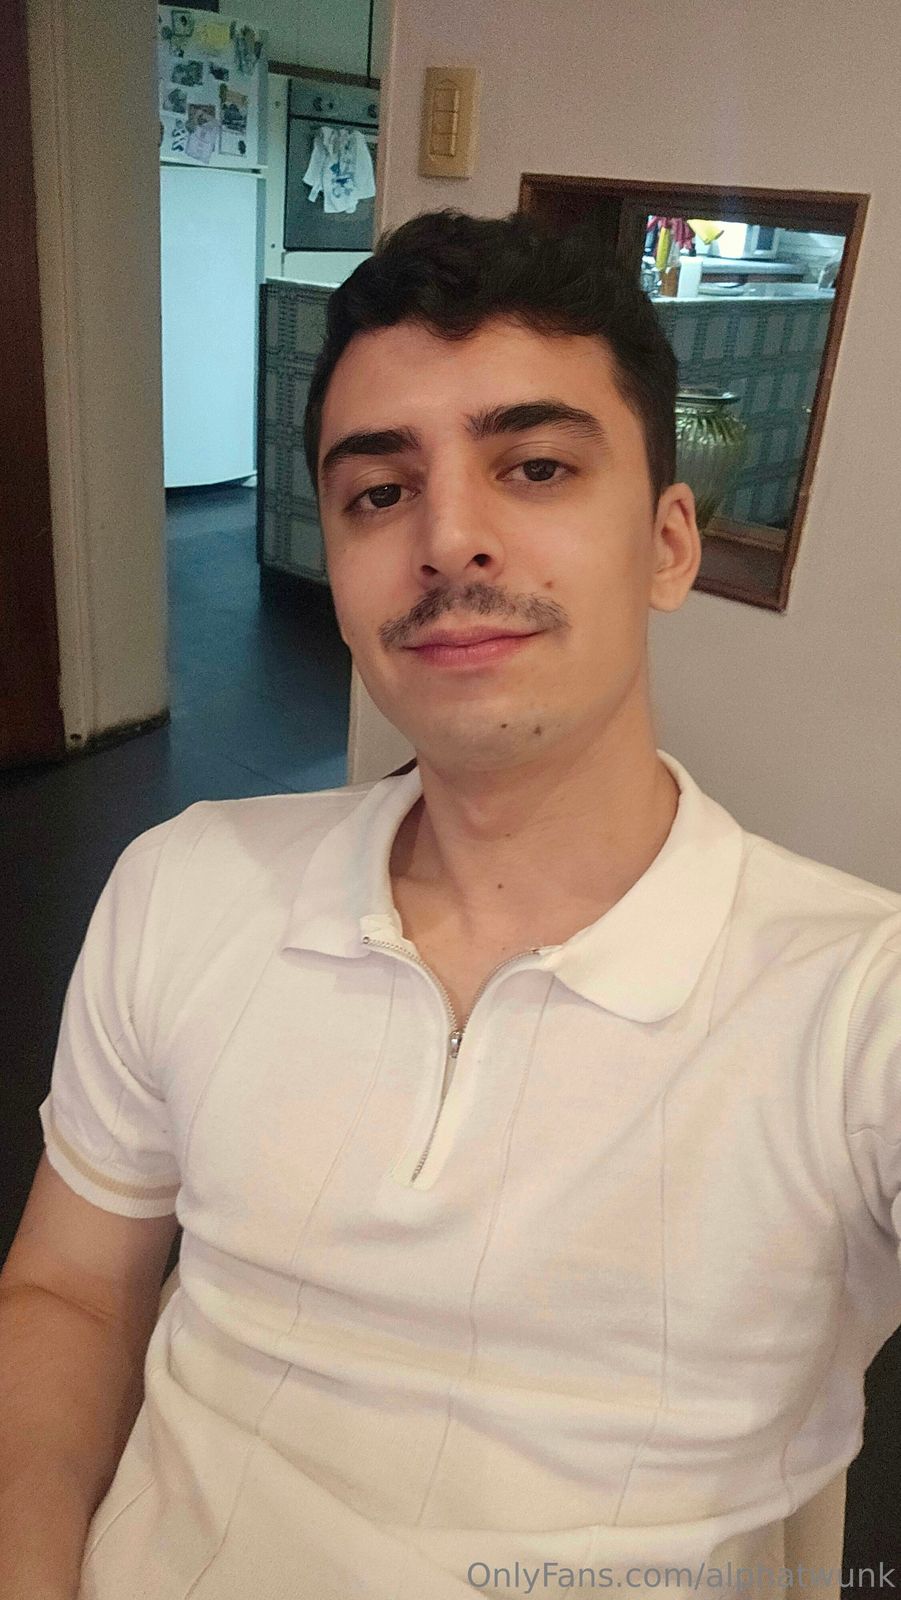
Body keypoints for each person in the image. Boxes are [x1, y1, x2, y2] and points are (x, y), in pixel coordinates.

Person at [1, 209, 899, 1600]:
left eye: (535, 467)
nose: (448, 539)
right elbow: (69, 1290)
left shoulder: (856, 1006)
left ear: (668, 545)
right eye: (378, 493)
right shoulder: (183, 884)